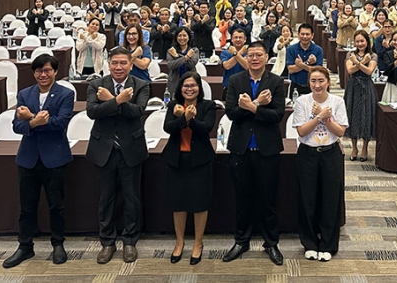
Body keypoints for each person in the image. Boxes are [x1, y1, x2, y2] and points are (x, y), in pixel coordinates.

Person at [3, 54, 75, 269]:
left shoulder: (66, 94)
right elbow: (17, 126)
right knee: (26, 207)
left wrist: (30, 118)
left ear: (55, 71)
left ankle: (58, 244)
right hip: (28, 158)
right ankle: (25, 246)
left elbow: (61, 123)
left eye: (47, 70)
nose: (43, 74)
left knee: (56, 206)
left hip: (55, 157)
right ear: (34, 73)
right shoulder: (25, 94)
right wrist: (35, 121)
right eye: (38, 71)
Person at [222, 42, 286, 266]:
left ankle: (271, 243)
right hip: (241, 149)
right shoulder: (235, 80)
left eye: (259, 54)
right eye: (251, 55)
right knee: (242, 199)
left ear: (267, 57)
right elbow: (231, 113)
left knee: (268, 200)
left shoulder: (276, 82)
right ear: (246, 58)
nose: (255, 58)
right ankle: (241, 241)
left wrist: (252, 107)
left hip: (267, 149)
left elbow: (277, 115)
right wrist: (258, 104)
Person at [86, 47, 150, 264]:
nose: (119, 67)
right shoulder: (96, 84)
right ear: (108, 64)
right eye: (115, 63)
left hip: (130, 148)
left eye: (123, 63)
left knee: (132, 197)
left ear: (131, 65)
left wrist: (112, 100)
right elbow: (92, 112)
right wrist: (119, 100)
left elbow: (137, 112)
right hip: (104, 149)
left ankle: (130, 241)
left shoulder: (141, 85)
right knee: (106, 198)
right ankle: (107, 242)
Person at [291, 66, 347, 262]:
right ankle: (310, 243)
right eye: (313, 81)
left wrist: (326, 116)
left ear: (328, 82)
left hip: (331, 154)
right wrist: (319, 117)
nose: (317, 85)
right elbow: (302, 131)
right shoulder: (302, 101)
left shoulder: (337, 101)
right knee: (308, 199)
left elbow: (340, 132)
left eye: (321, 81)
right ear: (309, 83)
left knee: (330, 200)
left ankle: (328, 245)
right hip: (308, 154)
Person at [163, 72, 216, 266]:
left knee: (199, 203)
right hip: (177, 159)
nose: (189, 89)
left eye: (193, 85)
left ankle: (198, 243)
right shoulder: (174, 105)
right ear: (180, 88)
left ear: (199, 88)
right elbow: (168, 128)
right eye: (186, 85)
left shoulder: (208, 106)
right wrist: (184, 117)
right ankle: (179, 242)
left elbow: (205, 128)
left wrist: (188, 119)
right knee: (178, 203)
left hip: (199, 160)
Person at [344, 31, 377, 162]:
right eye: (357, 41)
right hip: (353, 86)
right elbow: (350, 70)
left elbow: (369, 72)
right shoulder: (350, 54)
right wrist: (363, 62)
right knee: (352, 114)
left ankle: (364, 148)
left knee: (366, 115)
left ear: (367, 41)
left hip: (367, 87)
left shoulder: (373, 55)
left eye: (362, 41)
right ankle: (354, 148)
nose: (360, 44)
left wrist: (357, 63)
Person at [286, 23, 323, 96]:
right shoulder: (291, 49)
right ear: (298, 34)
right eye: (302, 34)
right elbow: (291, 69)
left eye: (307, 34)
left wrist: (301, 64)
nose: (305, 36)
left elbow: (318, 71)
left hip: (313, 87)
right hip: (295, 86)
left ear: (312, 35)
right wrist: (308, 62)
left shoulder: (318, 50)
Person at [165, 27, 200, 98]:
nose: (182, 38)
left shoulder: (194, 50)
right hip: (174, 81)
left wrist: (176, 56)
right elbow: (171, 65)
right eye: (179, 35)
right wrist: (186, 57)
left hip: (190, 80)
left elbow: (191, 64)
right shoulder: (171, 50)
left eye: (184, 35)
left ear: (189, 37)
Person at [220, 29, 249, 100]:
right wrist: (240, 53)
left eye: (240, 37)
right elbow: (227, 66)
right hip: (229, 87)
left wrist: (236, 53)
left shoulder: (250, 53)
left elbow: (248, 67)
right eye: (236, 37)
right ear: (232, 39)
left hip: (246, 87)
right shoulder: (225, 53)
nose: (238, 39)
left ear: (245, 39)